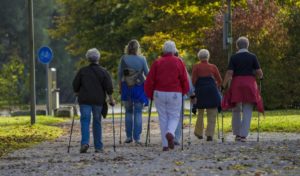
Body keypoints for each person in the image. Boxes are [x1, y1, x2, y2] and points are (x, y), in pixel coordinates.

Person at [144, 40, 189, 151]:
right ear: (174, 50)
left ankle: (165, 145)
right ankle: (170, 132)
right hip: (175, 92)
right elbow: (184, 79)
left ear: (164, 50)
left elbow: (150, 80)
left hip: (159, 93)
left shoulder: (157, 62)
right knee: (174, 116)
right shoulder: (179, 61)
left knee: (163, 117)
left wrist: (149, 94)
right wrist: (184, 91)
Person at [222, 36, 264, 142]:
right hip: (249, 84)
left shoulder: (234, 57)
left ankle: (236, 133)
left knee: (236, 109)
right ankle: (243, 135)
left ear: (237, 46)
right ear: (248, 45)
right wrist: (261, 77)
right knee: (247, 109)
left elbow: (229, 73)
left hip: (237, 84)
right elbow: (259, 72)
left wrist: (223, 85)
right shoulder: (252, 56)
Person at [73, 48, 114, 153]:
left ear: (88, 58)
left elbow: (75, 85)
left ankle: (85, 143)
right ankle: (98, 146)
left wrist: (77, 91)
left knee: (85, 121)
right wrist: (111, 99)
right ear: (98, 58)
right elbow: (109, 87)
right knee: (97, 122)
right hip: (98, 100)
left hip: (85, 99)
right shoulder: (103, 72)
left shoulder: (82, 71)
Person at [118, 39, 149, 145]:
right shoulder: (142, 59)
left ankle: (128, 136)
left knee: (128, 111)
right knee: (138, 112)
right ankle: (137, 137)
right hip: (139, 87)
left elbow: (120, 74)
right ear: (137, 48)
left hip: (126, 87)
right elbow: (147, 74)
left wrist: (120, 88)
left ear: (128, 48)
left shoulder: (123, 59)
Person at [192, 49, 222, 141]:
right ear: (208, 57)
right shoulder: (213, 67)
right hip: (212, 91)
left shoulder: (196, 67)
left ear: (199, 57)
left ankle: (199, 132)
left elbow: (193, 81)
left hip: (200, 92)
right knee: (212, 113)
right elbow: (219, 80)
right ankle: (210, 134)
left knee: (200, 113)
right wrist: (215, 86)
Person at [173, 50, 194, 145]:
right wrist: (191, 94)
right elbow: (187, 80)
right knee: (178, 115)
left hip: (164, 92)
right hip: (178, 93)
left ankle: (169, 135)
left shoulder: (161, 62)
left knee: (168, 115)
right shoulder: (180, 63)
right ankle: (176, 138)